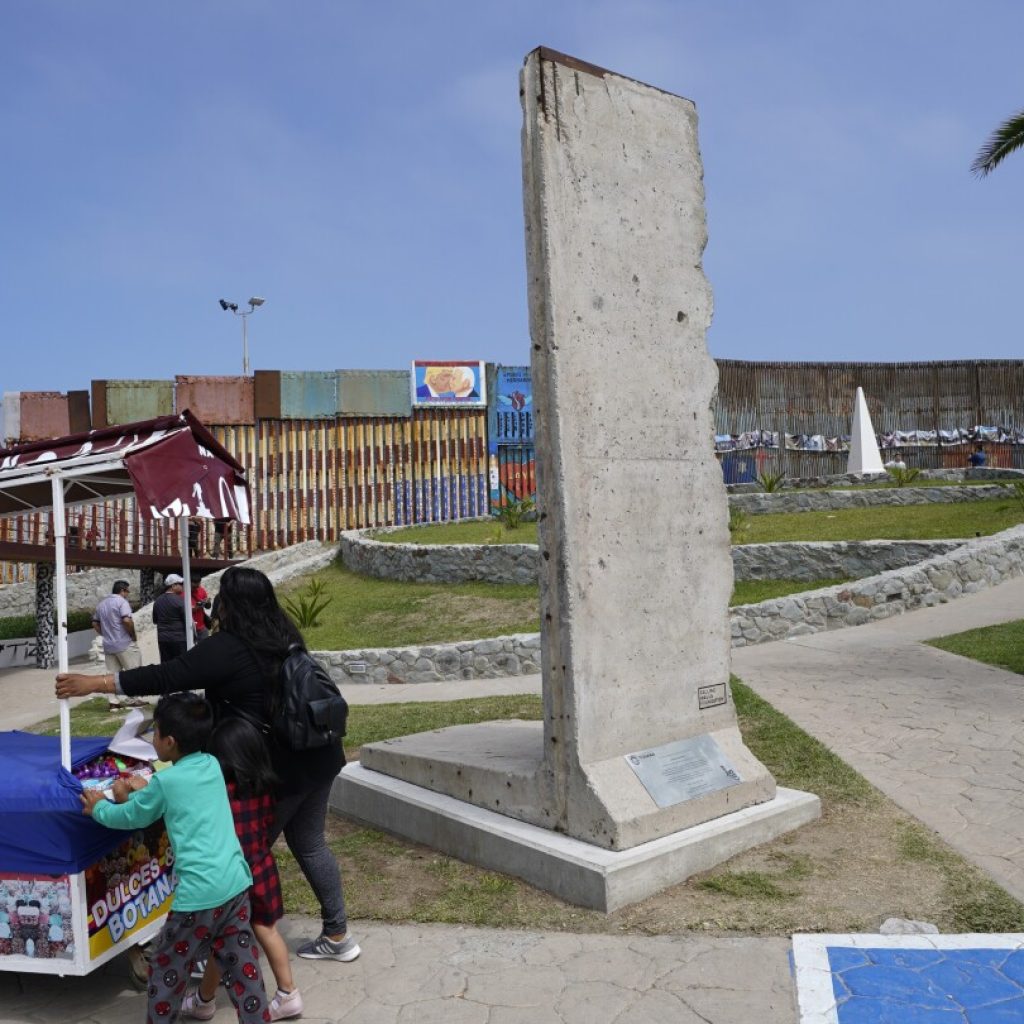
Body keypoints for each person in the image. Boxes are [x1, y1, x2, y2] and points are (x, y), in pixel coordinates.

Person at [56, 565, 359, 964]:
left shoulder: (230, 647)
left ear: (229, 604)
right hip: (319, 755)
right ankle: (337, 934)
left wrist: (96, 684)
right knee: (311, 844)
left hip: (278, 768)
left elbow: (167, 675)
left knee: (237, 856)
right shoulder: (284, 635)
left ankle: (208, 950)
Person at [80, 693, 270, 1024]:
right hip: (235, 884)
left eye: (154, 733)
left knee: (167, 967)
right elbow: (181, 794)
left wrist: (99, 806)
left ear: (169, 741)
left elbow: (132, 817)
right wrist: (142, 791)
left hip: (198, 897)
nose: (151, 739)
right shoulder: (211, 764)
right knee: (243, 967)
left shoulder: (166, 783)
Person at [185, 718, 303, 1021]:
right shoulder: (264, 786)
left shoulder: (221, 793)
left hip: (232, 877)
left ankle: (204, 1000)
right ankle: (287, 993)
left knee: (221, 940)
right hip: (262, 868)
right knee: (266, 929)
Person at [91, 581, 145, 710]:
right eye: (127, 591)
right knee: (134, 671)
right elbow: (126, 620)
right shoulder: (122, 602)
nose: (128, 594)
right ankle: (133, 699)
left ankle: (113, 702)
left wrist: (104, 633)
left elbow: (94, 623)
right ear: (122, 590)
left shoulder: (101, 604)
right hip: (124, 642)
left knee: (112, 675)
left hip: (108, 644)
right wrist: (132, 635)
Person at [153, 573, 188, 662]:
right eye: (180, 584)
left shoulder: (158, 601)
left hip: (163, 639)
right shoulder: (180, 601)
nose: (182, 586)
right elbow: (186, 620)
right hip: (179, 639)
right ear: (173, 586)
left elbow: (155, 620)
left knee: (166, 665)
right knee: (180, 664)